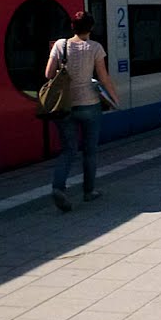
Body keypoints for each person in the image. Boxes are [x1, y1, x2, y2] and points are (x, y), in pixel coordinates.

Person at [43, 11, 120, 213]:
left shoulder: (60, 45)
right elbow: (103, 77)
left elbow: (48, 74)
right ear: (91, 28)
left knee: (68, 150)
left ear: (72, 27)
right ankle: (89, 191)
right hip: (90, 105)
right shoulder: (95, 48)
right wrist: (113, 97)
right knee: (90, 150)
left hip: (65, 106)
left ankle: (58, 188)